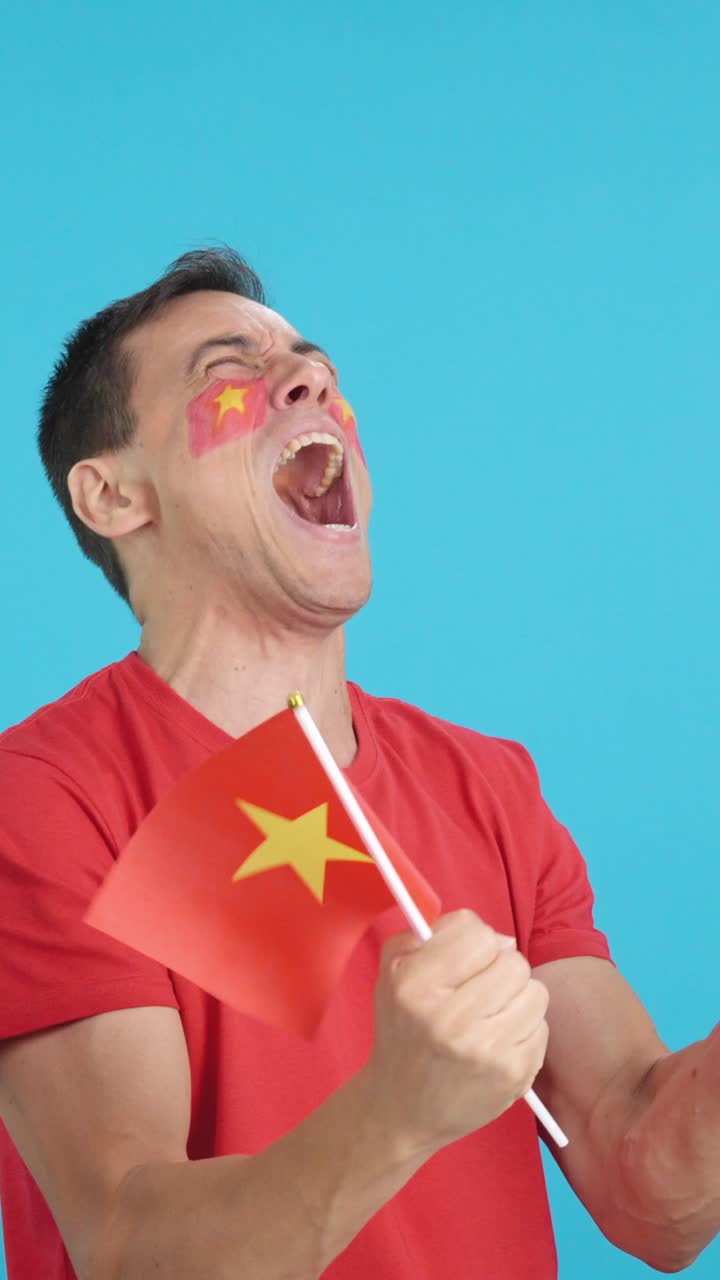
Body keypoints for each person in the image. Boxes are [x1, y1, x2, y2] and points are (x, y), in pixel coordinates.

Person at [0, 248, 717, 1280]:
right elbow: (123, 1238)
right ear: (114, 495)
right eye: (227, 370)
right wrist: (397, 1110)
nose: (314, 379)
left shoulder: (487, 783)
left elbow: (652, 1189)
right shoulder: (45, 796)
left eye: (314, 362)